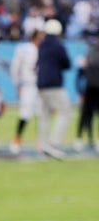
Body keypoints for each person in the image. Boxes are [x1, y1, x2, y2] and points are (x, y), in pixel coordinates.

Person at [36, 19, 71, 158]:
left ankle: (43, 143)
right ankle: (53, 144)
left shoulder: (42, 45)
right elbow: (66, 63)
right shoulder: (58, 45)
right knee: (64, 112)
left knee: (44, 114)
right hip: (54, 84)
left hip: (41, 83)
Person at [9, 29, 44, 154]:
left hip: (40, 86)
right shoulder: (24, 48)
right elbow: (15, 66)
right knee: (25, 114)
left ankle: (41, 142)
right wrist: (17, 84)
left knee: (41, 115)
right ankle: (17, 139)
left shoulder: (44, 49)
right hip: (27, 85)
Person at [74, 36, 99, 152]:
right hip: (91, 88)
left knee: (86, 115)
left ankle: (82, 138)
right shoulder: (90, 54)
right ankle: (83, 138)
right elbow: (80, 75)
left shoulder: (89, 53)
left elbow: (80, 75)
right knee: (87, 115)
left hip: (90, 88)